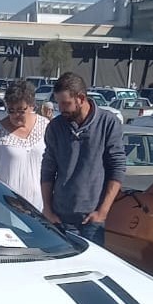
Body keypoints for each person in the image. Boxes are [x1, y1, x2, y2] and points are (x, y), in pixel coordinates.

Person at [40, 72, 126, 246]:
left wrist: (102, 212)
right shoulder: (55, 127)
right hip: (60, 218)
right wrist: (47, 209)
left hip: (92, 220)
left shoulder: (108, 123)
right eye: (58, 103)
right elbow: (48, 170)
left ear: (81, 98)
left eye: (65, 103)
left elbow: (117, 168)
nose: (60, 109)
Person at [0, 80, 49, 212]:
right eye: (11, 110)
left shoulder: (46, 127)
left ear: (31, 106)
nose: (16, 115)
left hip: (40, 210)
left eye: (21, 110)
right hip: (5, 210)